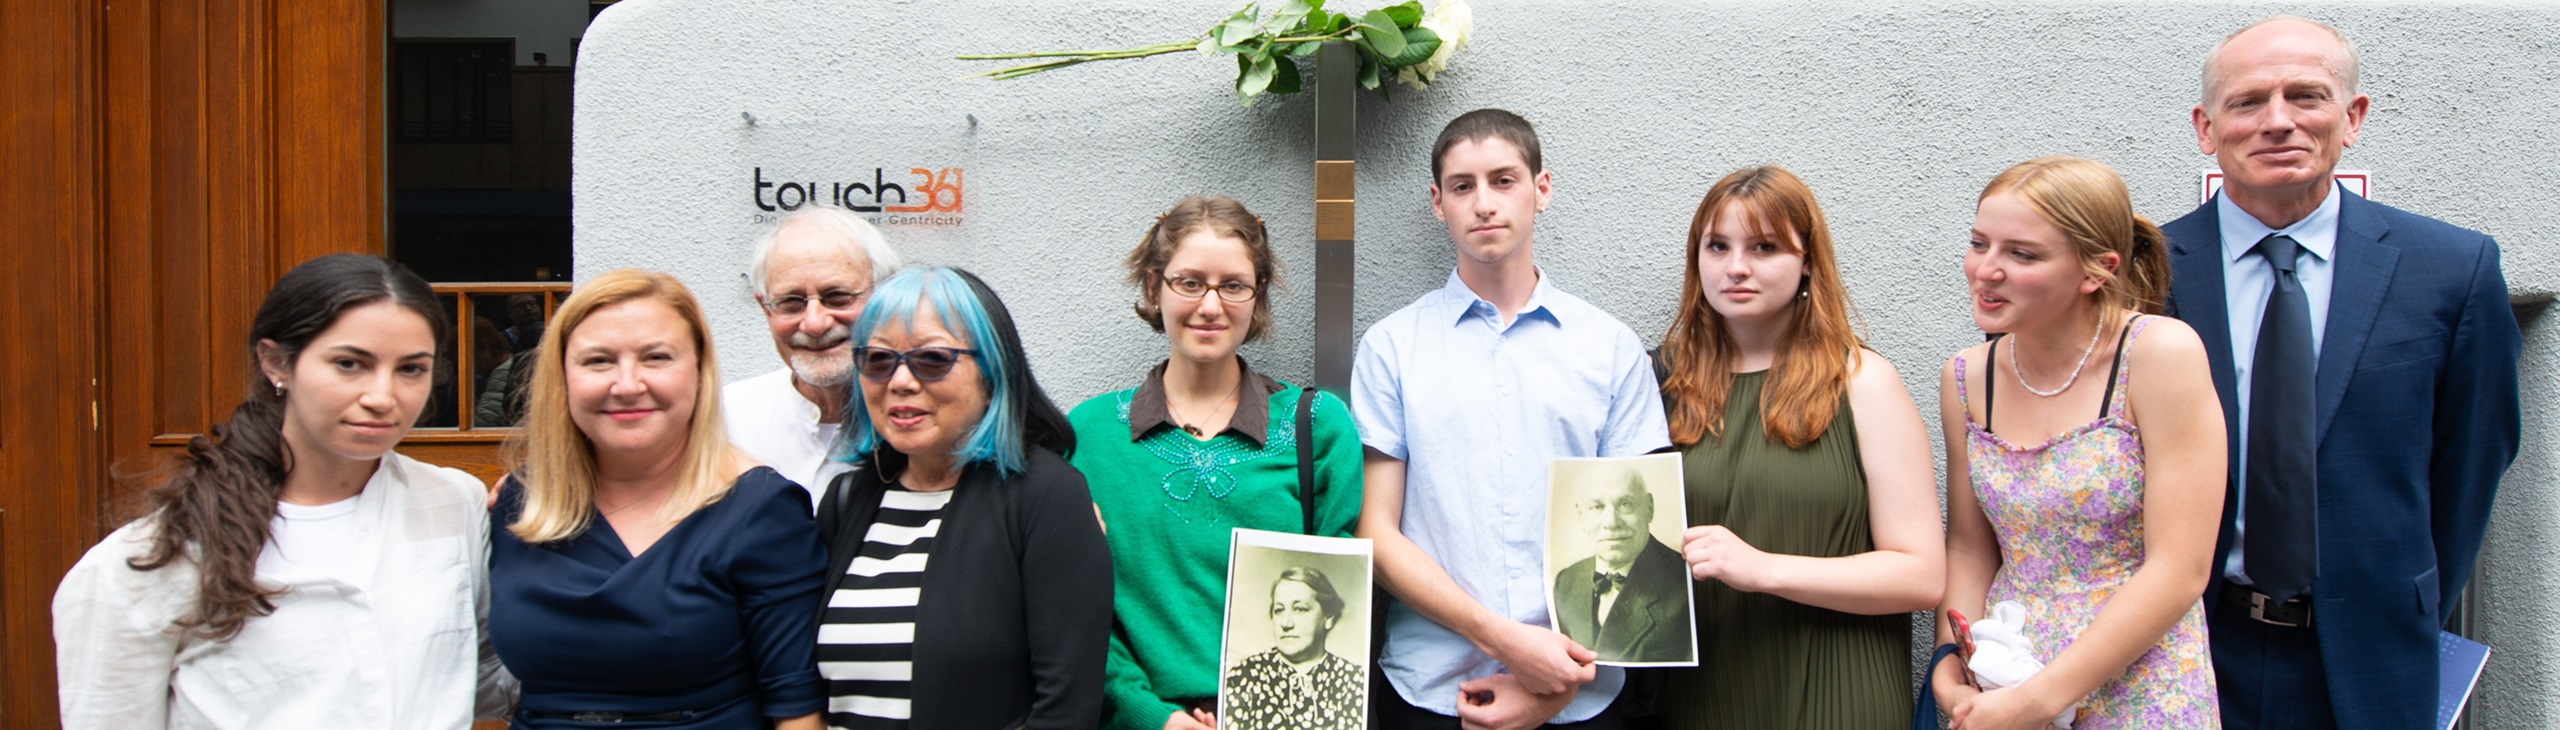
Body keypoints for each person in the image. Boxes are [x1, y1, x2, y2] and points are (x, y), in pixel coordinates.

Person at [2167, 17, 2522, 729]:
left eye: (2307, 96)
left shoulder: (2453, 270)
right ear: (2206, 128)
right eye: (2247, 103)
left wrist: (2400, 596)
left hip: (2376, 655)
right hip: (2189, 652)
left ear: (2352, 117)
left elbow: (2470, 467)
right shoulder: (2145, 274)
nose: (2278, 122)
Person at [54, 253, 514, 728]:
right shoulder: (147, 561)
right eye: (350, 364)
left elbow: (479, 680)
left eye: (411, 369)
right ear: (276, 362)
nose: (382, 397)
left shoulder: (454, 502)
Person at [1353, 108, 1670, 730]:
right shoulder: (1392, 346)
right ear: (1438, 202)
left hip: (1582, 690)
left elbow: (1636, 535)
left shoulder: (1608, 347)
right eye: (1463, 186)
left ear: (1540, 190)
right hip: (1428, 689)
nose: (1484, 203)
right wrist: (1509, 643)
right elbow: (1376, 535)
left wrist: (1553, 686)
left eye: (1504, 180)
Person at [1930, 157, 2226, 729]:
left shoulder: (2159, 354)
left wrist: (2039, 699)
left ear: (2096, 270)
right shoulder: (1967, 376)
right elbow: (1971, 548)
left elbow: (2181, 567)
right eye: (1979, 243)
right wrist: (1950, 656)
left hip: (2138, 678)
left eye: (2022, 254)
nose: (1986, 270)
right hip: (2005, 672)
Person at [1650, 166, 1943, 727]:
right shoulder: (1662, 383)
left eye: (1764, 247)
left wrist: (1762, 568)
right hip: (1702, 694)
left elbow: (1921, 577)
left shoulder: (1862, 381)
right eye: (1718, 246)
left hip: (1835, 690)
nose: (1736, 267)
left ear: (1807, 259)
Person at [1068, 196, 1363, 730]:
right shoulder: (1088, 437)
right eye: (1189, 282)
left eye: (1233, 285)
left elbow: (1341, 600)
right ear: (1154, 287)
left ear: (1257, 295)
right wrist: (1149, 716)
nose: (1210, 305)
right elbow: (1070, 606)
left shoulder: (1317, 427)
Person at [487, 269, 826, 729]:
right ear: (562, 376)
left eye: (656, 357)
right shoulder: (518, 504)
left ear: (699, 371)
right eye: (598, 361)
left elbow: (797, 711)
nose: (627, 385)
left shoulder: (761, 511)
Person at [813, 266, 1112, 729]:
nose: (900, 381)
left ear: (993, 371)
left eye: (932, 359)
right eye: (877, 359)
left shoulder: (1046, 497)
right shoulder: (846, 499)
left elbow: (1067, 709)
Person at [727, 206, 904, 503]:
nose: (814, 323)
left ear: (886, 294)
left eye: (837, 297)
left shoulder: (923, 424)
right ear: (764, 307)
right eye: (791, 302)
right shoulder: (726, 420)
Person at [1548, 464, 1687, 665]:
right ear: (1581, 515)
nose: (1611, 522)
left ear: (1649, 508)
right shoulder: (1566, 582)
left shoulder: (1685, 583)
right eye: (1596, 507)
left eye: (1625, 504)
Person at [1223, 566, 1367, 730]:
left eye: (1299, 609)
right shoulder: (1244, 678)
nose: (1286, 623)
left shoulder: (1353, 681)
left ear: (1329, 617)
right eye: (1278, 610)